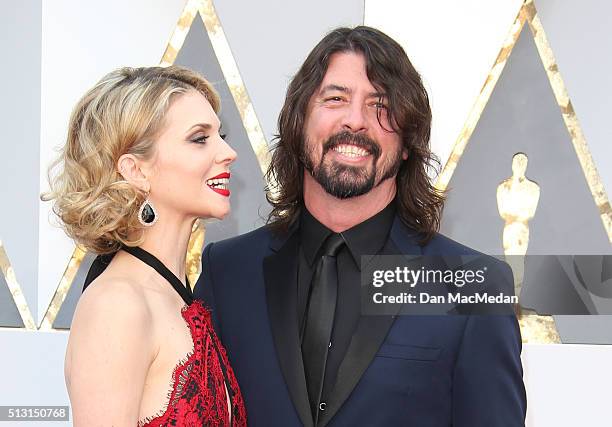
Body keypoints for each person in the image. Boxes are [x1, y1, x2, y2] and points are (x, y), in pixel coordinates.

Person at [195, 26, 526, 427]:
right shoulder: (227, 270)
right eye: (335, 99)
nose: (356, 121)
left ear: (407, 143)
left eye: (380, 106)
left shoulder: (472, 285)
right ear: (299, 123)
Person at [43, 66, 247, 426]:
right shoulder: (118, 304)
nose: (229, 152)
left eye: (221, 134)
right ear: (136, 170)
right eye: (199, 138)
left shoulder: (178, 297)